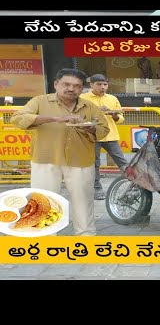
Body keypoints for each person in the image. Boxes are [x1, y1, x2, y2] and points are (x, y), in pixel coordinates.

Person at [10, 68, 110, 235]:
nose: (71, 89)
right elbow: (18, 119)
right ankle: (45, 236)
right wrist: (55, 119)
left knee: (83, 200)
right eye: (66, 84)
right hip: (45, 159)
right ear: (56, 84)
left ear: (81, 89)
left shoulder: (89, 106)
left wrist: (90, 128)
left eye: (77, 86)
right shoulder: (40, 101)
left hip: (81, 160)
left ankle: (85, 235)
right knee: (44, 200)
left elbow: (104, 129)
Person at [80, 74, 128, 200]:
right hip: (92, 135)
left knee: (122, 161)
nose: (103, 87)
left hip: (110, 135)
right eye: (99, 84)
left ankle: (132, 184)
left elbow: (120, 118)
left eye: (105, 84)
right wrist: (96, 111)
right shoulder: (83, 98)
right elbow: (79, 117)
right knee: (94, 164)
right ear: (91, 85)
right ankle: (97, 188)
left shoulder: (112, 98)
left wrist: (114, 115)